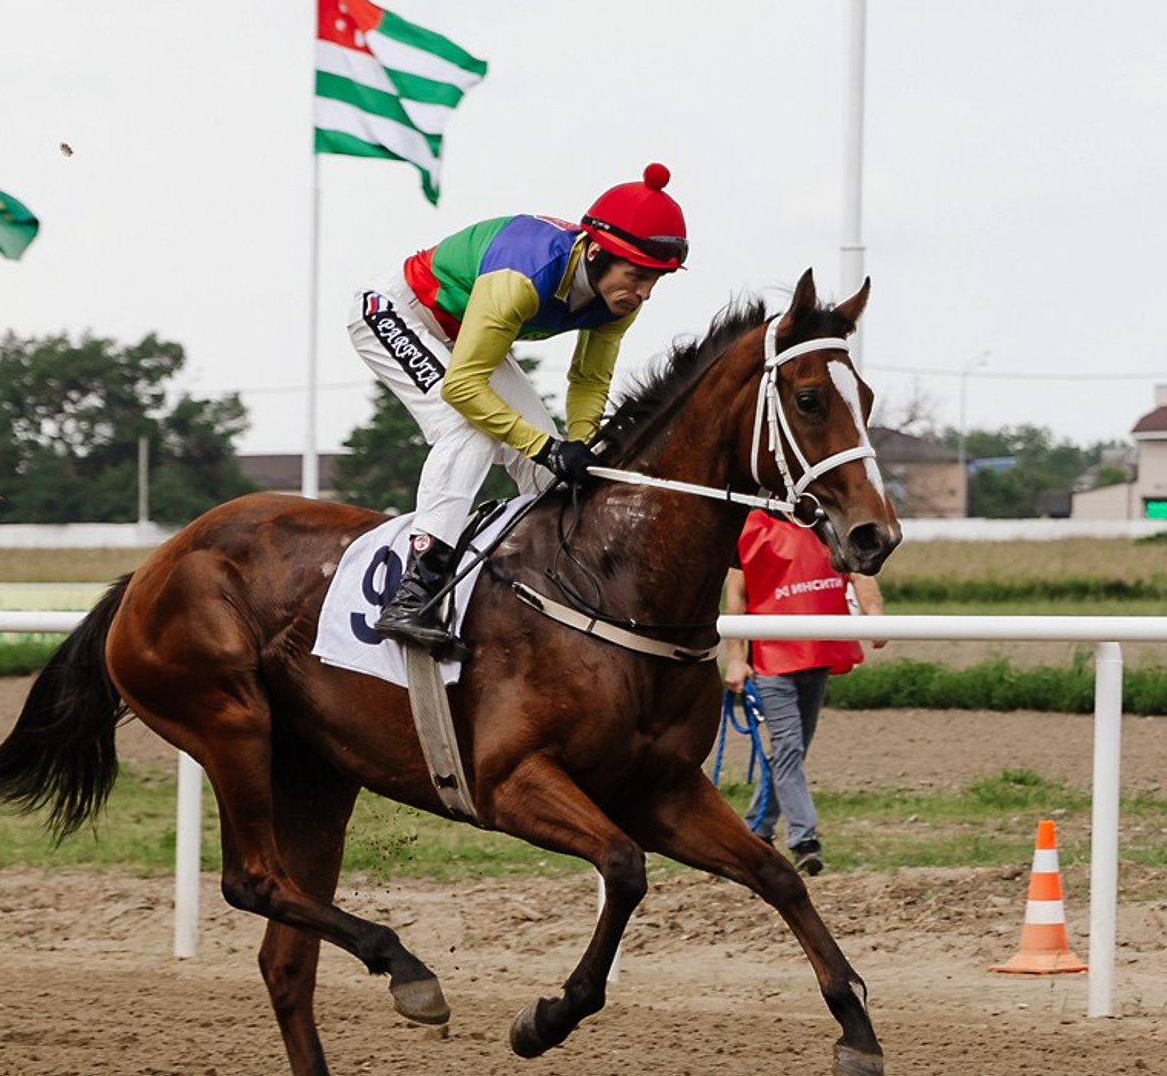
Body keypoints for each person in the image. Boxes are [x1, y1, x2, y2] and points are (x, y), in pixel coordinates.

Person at [352, 165, 689, 652]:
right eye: (637, 276)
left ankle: (560, 583)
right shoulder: (525, 276)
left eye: (655, 281)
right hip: (398, 313)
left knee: (556, 475)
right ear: (595, 253)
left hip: (466, 335)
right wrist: (547, 446)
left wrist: (577, 444)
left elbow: (589, 378)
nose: (643, 293)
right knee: (469, 431)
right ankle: (416, 589)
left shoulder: (620, 299)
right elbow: (464, 387)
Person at [722, 510, 885, 877]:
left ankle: (755, 832)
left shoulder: (828, 524)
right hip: (771, 662)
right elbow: (736, 596)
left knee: (788, 754)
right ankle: (804, 840)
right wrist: (736, 658)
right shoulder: (749, 528)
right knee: (789, 748)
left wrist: (876, 615)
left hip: (818, 656)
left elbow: (860, 574)